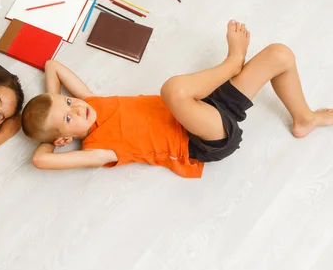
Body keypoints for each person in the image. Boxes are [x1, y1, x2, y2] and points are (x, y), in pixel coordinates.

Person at [21, 20, 333, 178]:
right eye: (68, 118)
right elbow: (40, 159)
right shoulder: (97, 150)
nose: (76, 107)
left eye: (68, 102)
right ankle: (232, 62)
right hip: (201, 138)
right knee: (172, 90)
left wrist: (54, 104)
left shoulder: (94, 102)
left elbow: (53, 66)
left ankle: (305, 119)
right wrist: (51, 137)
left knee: (280, 54)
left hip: (202, 105)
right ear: (64, 140)